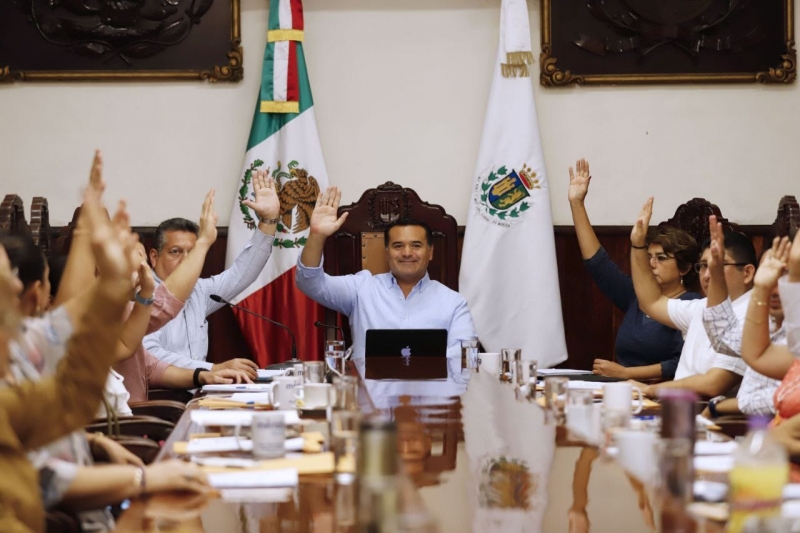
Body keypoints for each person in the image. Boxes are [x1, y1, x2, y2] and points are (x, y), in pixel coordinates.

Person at [0, 184, 210, 531]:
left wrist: (95, 443)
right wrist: (142, 479)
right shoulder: (31, 343)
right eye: (5, 280)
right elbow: (41, 479)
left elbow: (72, 397)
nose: (14, 287)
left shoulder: (23, 345)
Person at [295, 186, 476, 360]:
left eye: (416, 245)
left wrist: (412, 361)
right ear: (387, 251)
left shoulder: (453, 302)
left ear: (430, 252)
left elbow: (467, 354)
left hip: (430, 389)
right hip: (368, 389)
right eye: (398, 246)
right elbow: (310, 283)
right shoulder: (361, 288)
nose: (407, 253)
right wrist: (317, 235)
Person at [567, 159, 701, 381]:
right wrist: (576, 203)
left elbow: (679, 364)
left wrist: (625, 373)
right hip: (620, 387)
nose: (651, 264)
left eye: (661, 258)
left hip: (659, 394)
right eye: (648, 257)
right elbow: (598, 264)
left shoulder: (690, 305)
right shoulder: (635, 294)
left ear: (684, 268)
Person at [143, 170, 280, 375]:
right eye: (175, 252)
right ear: (154, 257)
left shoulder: (199, 290)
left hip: (199, 392)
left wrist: (269, 220)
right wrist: (212, 370)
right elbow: (151, 357)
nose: (185, 260)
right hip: (163, 399)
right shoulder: (142, 294)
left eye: (192, 252)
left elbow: (242, 274)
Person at [629, 198, 755, 399]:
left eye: (717, 265)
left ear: (747, 273)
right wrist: (637, 244)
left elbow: (713, 384)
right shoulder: (701, 307)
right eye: (703, 266)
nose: (707, 274)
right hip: (675, 408)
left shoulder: (754, 315)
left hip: (711, 417)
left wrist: (649, 390)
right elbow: (651, 303)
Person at [701, 221, 787, 417]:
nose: (772, 288)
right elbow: (723, 336)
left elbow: (781, 399)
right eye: (767, 276)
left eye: (784, 276)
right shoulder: (770, 324)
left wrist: (719, 407)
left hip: (766, 436)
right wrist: (716, 271)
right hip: (744, 435)